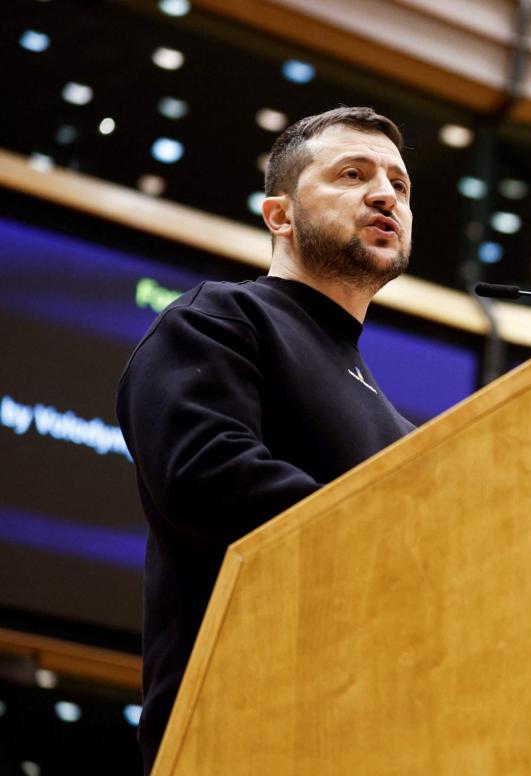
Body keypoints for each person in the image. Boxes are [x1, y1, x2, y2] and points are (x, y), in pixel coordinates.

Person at [116, 106, 417, 774]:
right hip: (240, 730)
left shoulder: (400, 427)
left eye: (399, 184)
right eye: (352, 173)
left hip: (371, 738)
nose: (383, 194)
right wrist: (397, 535)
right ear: (279, 215)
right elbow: (207, 477)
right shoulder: (222, 318)